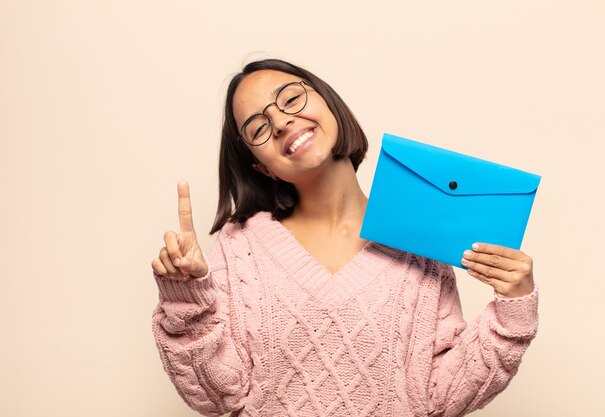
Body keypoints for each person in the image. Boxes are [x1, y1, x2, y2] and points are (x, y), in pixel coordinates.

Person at [150, 59, 538, 417]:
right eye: (258, 128)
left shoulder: (417, 240)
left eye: (290, 98)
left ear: (329, 103)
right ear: (260, 166)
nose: (282, 122)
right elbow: (218, 397)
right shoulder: (240, 248)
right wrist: (186, 301)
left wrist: (514, 308)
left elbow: (440, 393)